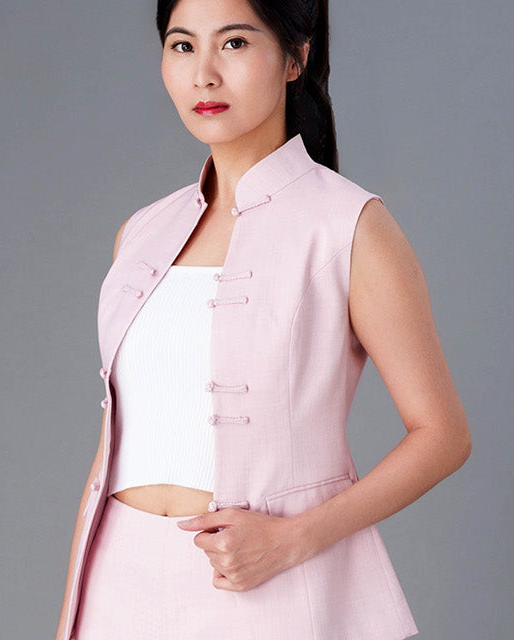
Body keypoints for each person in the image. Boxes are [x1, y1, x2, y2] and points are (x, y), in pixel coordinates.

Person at [55, 0, 471, 637]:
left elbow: (442, 435)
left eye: (235, 43)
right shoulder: (140, 233)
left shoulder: (350, 226)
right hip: (119, 587)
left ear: (295, 58)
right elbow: (116, 441)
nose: (204, 74)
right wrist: (71, 618)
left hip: (266, 584)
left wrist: (292, 540)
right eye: (182, 45)